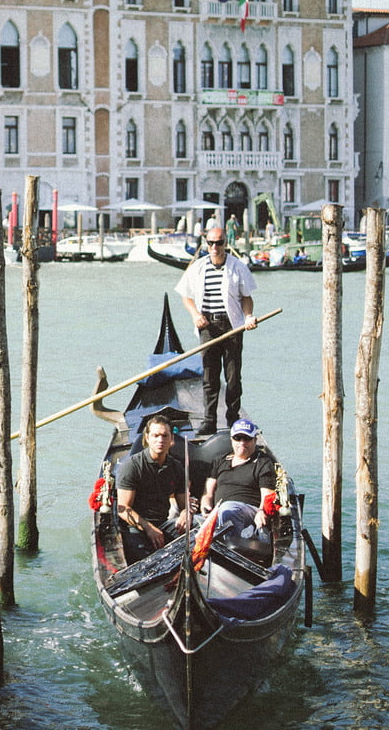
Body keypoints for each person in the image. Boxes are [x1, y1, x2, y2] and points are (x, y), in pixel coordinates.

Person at [175, 227, 258, 435]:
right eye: (210, 243)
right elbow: (186, 296)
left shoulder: (238, 267)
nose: (214, 247)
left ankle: (232, 418)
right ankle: (209, 420)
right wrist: (195, 315)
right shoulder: (198, 267)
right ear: (205, 244)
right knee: (210, 376)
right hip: (207, 326)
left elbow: (247, 297)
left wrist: (248, 317)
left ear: (226, 244)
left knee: (233, 376)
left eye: (219, 243)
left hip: (232, 326)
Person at [116, 416, 194, 560]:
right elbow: (123, 508)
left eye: (165, 436)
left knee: (199, 526)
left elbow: (184, 504)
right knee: (139, 555)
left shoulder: (176, 467)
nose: (160, 440)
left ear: (171, 439)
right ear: (147, 438)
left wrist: (185, 513)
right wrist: (148, 528)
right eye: (155, 435)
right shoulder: (132, 466)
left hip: (163, 525)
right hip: (136, 527)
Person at [199, 418, 278, 541]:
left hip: (248, 512)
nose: (242, 443)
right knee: (187, 522)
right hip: (217, 513)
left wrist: (262, 511)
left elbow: (267, 495)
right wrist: (206, 507)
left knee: (228, 509)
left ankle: (232, 552)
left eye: (247, 439)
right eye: (238, 438)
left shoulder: (263, 462)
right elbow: (207, 493)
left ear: (255, 440)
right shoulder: (220, 460)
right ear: (231, 440)